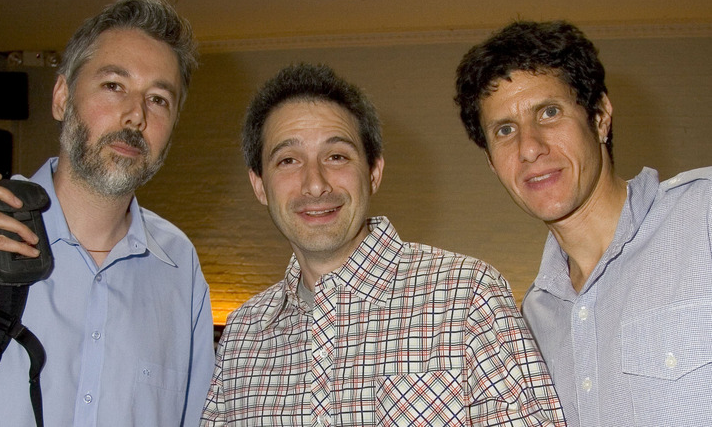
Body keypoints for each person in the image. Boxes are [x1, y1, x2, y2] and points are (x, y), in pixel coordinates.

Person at [201, 62, 565, 426]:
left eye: (336, 156)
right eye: (288, 160)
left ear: (373, 172)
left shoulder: (468, 295)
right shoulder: (243, 334)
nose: (315, 184)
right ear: (260, 184)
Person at [0, 0, 214, 426]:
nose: (135, 115)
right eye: (114, 85)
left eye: (158, 99)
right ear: (62, 96)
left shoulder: (180, 266)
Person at [454, 20, 712, 426]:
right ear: (491, 162)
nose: (530, 148)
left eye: (549, 112)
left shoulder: (704, 215)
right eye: (505, 130)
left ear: (600, 117)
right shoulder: (529, 324)